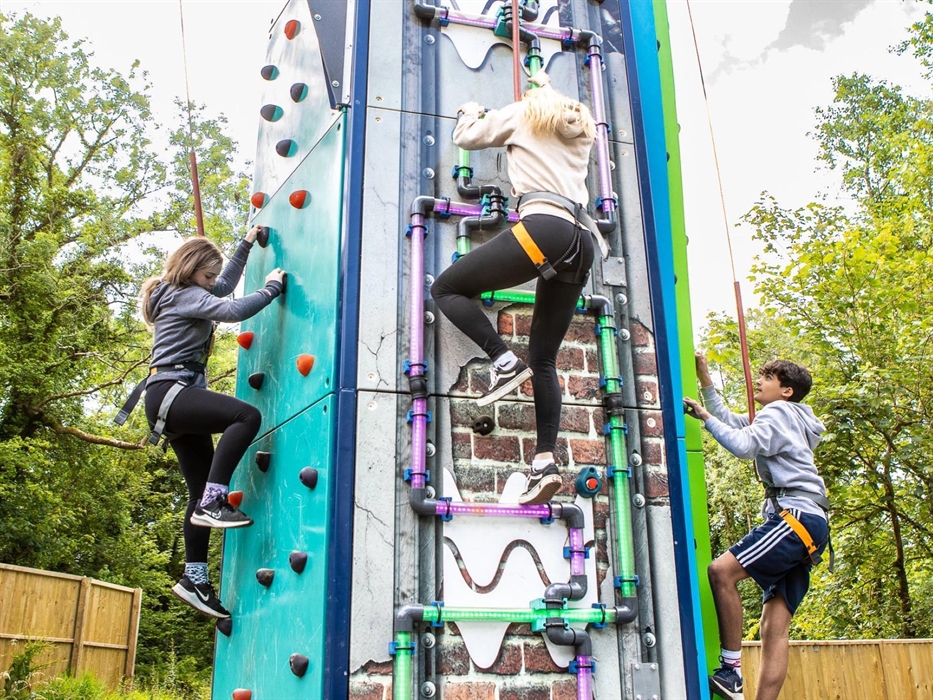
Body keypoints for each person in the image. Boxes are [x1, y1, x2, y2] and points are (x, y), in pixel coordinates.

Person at [431, 72, 598, 506]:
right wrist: (543, 81)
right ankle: (544, 463)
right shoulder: (581, 129)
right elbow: (548, 97)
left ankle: (502, 361)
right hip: (582, 241)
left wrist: (470, 111)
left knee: (447, 289)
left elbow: (469, 137)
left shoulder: (524, 114)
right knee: (543, 357)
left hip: (543, 227)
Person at [140, 226, 286, 618]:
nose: (211, 283)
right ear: (190, 271)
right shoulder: (184, 295)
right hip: (173, 391)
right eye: (206, 276)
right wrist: (271, 288)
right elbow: (233, 309)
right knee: (246, 416)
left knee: (195, 495)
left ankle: (195, 580)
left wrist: (245, 245)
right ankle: (215, 499)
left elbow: (222, 288)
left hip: (166, 399)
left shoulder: (184, 293)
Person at [683, 352, 829, 700]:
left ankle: (731, 671)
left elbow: (744, 445)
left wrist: (703, 417)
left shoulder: (777, 412)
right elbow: (736, 423)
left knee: (722, 572)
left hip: (795, 517)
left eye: (767, 378)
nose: (759, 382)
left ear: (786, 391)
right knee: (774, 629)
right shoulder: (793, 418)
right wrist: (707, 384)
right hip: (813, 523)